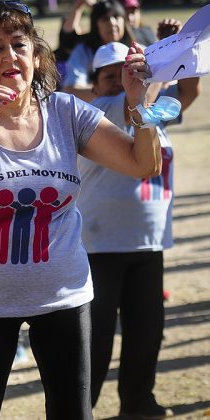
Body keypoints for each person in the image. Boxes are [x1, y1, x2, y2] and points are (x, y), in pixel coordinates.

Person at [0, 1, 162, 418]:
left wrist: (141, 104)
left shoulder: (66, 111)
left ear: (36, 56)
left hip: (64, 295)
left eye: (19, 45)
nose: (9, 56)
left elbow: (142, 163)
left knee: (72, 412)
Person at [80, 41, 200, 419]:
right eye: (109, 76)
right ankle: (81, 408)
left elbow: (185, 92)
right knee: (95, 341)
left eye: (125, 72)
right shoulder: (96, 111)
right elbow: (135, 102)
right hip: (100, 247)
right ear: (96, 87)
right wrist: (157, 68)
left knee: (146, 332)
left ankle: (137, 401)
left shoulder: (153, 113)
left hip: (149, 244)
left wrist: (179, 50)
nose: (120, 81)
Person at [62, 0, 133, 101]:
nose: (112, 23)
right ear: (96, 25)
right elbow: (71, 90)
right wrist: (108, 93)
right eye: (105, 19)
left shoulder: (137, 48)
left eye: (116, 17)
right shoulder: (84, 51)